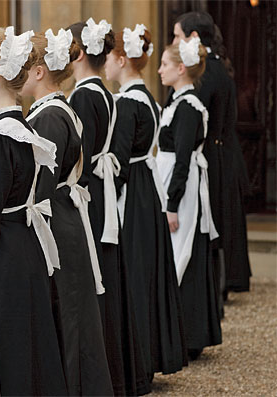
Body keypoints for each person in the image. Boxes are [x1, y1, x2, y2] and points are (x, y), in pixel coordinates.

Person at [0, 26, 67, 396]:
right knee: (29, 351)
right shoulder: (19, 129)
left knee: (7, 356)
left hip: (4, 259)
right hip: (26, 252)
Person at [20, 28, 113, 396]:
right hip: (66, 214)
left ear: (40, 71)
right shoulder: (57, 110)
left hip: (59, 219)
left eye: (25, 66)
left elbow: (40, 184)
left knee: (70, 314)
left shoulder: (49, 117)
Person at [68, 18, 150, 396]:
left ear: (80, 54)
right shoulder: (103, 92)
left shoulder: (85, 95)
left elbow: (79, 156)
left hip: (92, 197)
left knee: (97, 282)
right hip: (102, 193)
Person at [105, 24, 187, 378]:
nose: (105, 64)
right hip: (147, 190)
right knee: (147, 271)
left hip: (134, 194)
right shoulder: (149, 99)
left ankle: (138, 361)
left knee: (135, 273)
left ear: (122, 60)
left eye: (109, 58)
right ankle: (151, 355)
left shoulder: (127, 103)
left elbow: (120, 161)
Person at [173, 11, 251, 303]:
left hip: (213, 156)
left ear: (193, 38)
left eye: (178, 36)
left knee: (212, 221)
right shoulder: (215, 67)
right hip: (222, 152)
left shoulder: (206, 73)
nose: (174, 41)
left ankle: (213, 288)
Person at [156, 37, 222, 361]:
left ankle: (189, 334)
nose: (159, 70)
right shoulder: (175, 101)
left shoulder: (189, 106)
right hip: (171, 180)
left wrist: (171, 203)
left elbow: (183, 158)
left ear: (181, 69)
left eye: (165, 65)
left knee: (183, 254)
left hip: (180, 189)